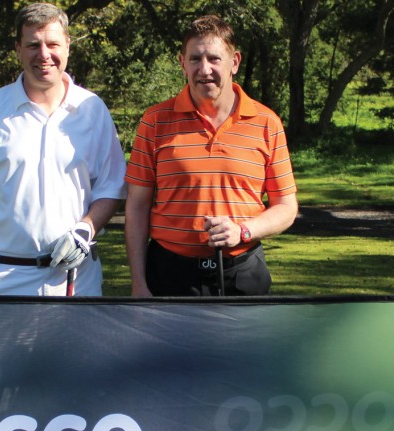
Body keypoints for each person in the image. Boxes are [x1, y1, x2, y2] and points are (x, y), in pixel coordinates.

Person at [0, 3, 126, 296]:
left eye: (53, 44)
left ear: (68, 47)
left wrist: (86, 228)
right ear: (18, 49)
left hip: (76, 279)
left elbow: (111, 188)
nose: (44, 54)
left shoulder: (92, 109)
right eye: (33, 45)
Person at [124, 15, 298, 297]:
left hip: (242, 273)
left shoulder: (267, 122)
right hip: (170, 275)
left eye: (214, 59)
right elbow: (136, 206)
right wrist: (138, 283)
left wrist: (243, 231)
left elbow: (287, 208)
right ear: (182, 63)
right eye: (195, 59)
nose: (204, 69)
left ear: (235, 62)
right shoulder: (155, 121)